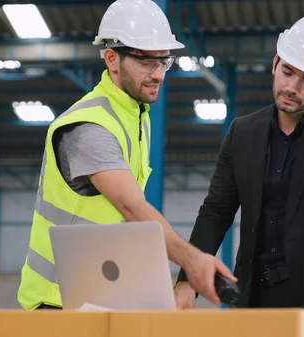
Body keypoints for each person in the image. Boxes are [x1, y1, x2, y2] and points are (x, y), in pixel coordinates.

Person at [16, 0, 236, 311]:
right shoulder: (89, 126)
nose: (158, 73)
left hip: (96, 298)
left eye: (164, 61)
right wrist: (193, 260)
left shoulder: (136, 116)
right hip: (56, 306)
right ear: (112, 59)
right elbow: (131, 207)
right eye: (147, 62)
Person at [173, 14, 304, 311]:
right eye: (288, 72)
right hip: (249, 298)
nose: (293, 87)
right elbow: (216, 212)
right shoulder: (241, 132)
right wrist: (187, 280)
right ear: (276, 63)